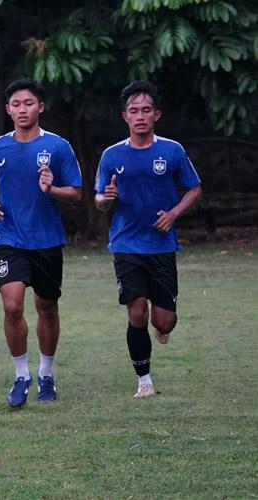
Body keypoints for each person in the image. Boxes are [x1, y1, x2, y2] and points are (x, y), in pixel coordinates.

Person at [0, 78, 82, 408]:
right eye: (16, 105)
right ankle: (21, 374)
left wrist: (52, 189)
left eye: (29, 104)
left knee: (46, 306)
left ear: (41, 107)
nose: (23, 109)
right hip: (9, 238)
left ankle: (46, 373)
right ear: (8, 110)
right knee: (12, 304)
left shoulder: (58, 147)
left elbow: (76, 193)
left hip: (47, 239)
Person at [95, 80, 202, 398]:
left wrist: (173, 214)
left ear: (157, 114)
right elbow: (100, 198)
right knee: (136, 311)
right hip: (126, 244)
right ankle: (144, 380)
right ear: (124, 117)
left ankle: (163, 327)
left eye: (145, 110)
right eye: (133, 111)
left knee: (164, 321)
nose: (139, 116)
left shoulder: (172, 151)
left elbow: (194, 188)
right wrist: (106, 198)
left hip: (162, 246)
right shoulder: (112, 155)